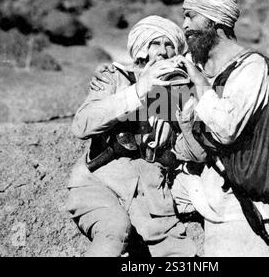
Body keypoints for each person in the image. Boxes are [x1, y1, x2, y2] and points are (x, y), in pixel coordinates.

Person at [170, 0, 269, 257]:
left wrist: (199, 84)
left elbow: (226, 130)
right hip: (210, 191)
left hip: (242, 201)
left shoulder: (251, 67)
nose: (184, 25)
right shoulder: (202, 69)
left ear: (216, 21)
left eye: (191, 16)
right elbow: (169, 125)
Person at [66, 15, 197, 257]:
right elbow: (82, 126)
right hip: (99, 184)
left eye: (169, 45)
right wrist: (140, 90)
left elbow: (195, 152)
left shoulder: (178, 91)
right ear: (141, 48)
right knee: (115, 233)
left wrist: (189, 111)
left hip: (151, 196)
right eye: (155, 44)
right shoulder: (115, 77)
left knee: (181, 253)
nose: (163, 52)